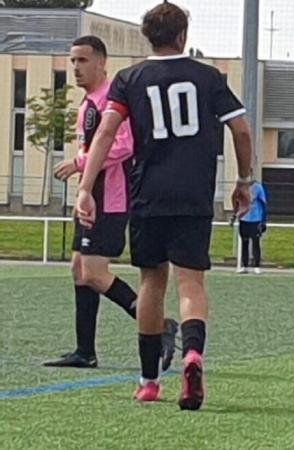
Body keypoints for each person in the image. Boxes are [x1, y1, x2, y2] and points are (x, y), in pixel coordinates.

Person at [75, 2, 252, 410]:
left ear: (147, 37)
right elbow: (241, 130)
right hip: (193, 195)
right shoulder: (208, 77)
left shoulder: (129, 79)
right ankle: (192, 354)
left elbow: (104, 133)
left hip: (147, 194)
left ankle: (149, 380)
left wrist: (86, 188)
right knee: (191, 284)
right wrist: (244, 180)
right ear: (183, 36)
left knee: (152, 283)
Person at [43, 36, 178, 371]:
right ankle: (84, 351)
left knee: (93, 272)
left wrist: (80, 163)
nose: (76, 67)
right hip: (91, 196)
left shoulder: (112, 100)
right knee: (79, 270)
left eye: (83, 60)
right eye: (73, 61)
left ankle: (160, 326)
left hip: (110, 198)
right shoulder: (89, 102)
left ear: (102, 62)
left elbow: (123, 145)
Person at [237, 179, 267, 274]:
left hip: (256, 219)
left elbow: (263, 204)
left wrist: (263, 220)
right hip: (244, 219)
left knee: (255, 242)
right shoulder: (240, 187)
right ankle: (245, 265)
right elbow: (237, 202)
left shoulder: (258, 187)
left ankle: (256, 266)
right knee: (244, 242)